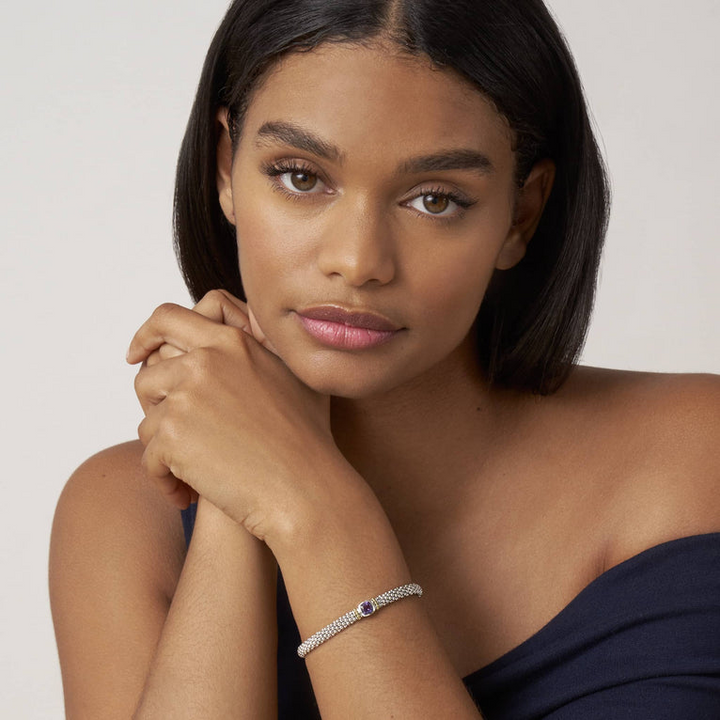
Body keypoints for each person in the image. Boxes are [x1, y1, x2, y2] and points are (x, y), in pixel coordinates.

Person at [49, 0, 720, 718]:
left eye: (435, 199)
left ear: (520, 215)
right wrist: (229, 509)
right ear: (225, 167)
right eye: (301, 177)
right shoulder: (126, 515)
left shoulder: (692, 459)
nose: (358, 261)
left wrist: (306, 503)